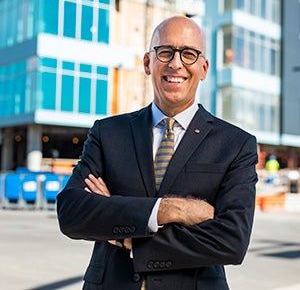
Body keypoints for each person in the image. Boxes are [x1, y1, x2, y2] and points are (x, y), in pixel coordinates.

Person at [57, 15, 258, 290]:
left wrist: (128, 237)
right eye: (166, 52)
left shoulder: (235, 144)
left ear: (204, 68)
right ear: (148, 63)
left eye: (189, 54)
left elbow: (231, 240)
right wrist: (169, 209)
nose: (176, 63)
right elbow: (72, 212)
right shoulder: (108, 133)